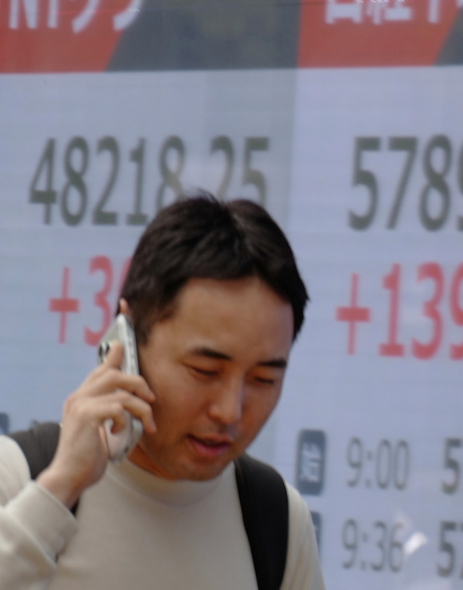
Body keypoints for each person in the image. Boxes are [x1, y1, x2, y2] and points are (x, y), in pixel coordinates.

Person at [0, 195, 325, 590]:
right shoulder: (18, 479)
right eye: (204, 371)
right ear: (129, 337)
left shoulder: (277, 522)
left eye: (263, 380)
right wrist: (61, 486)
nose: (230, 411)